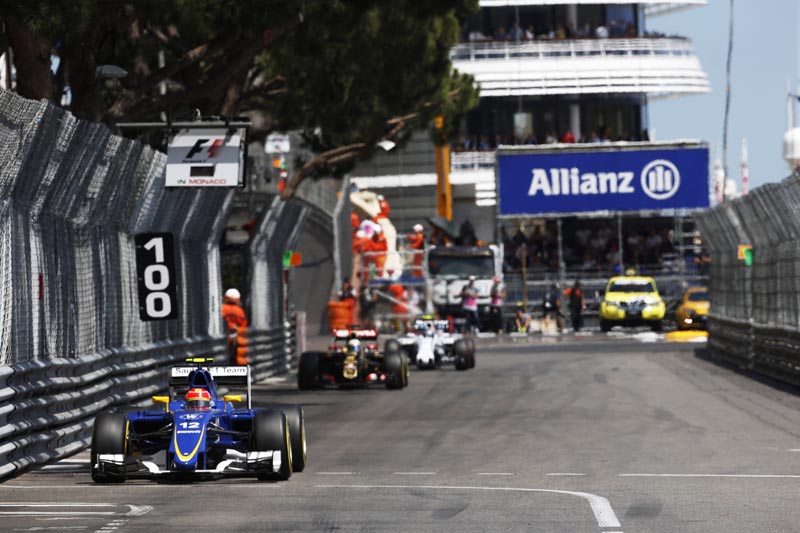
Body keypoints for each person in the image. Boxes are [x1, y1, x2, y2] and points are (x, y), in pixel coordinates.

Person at [222, 288, 250, 365]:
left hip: (224, 340)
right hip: (237, 342)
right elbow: (244, 328)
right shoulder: (240, 311)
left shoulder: (222, 309)